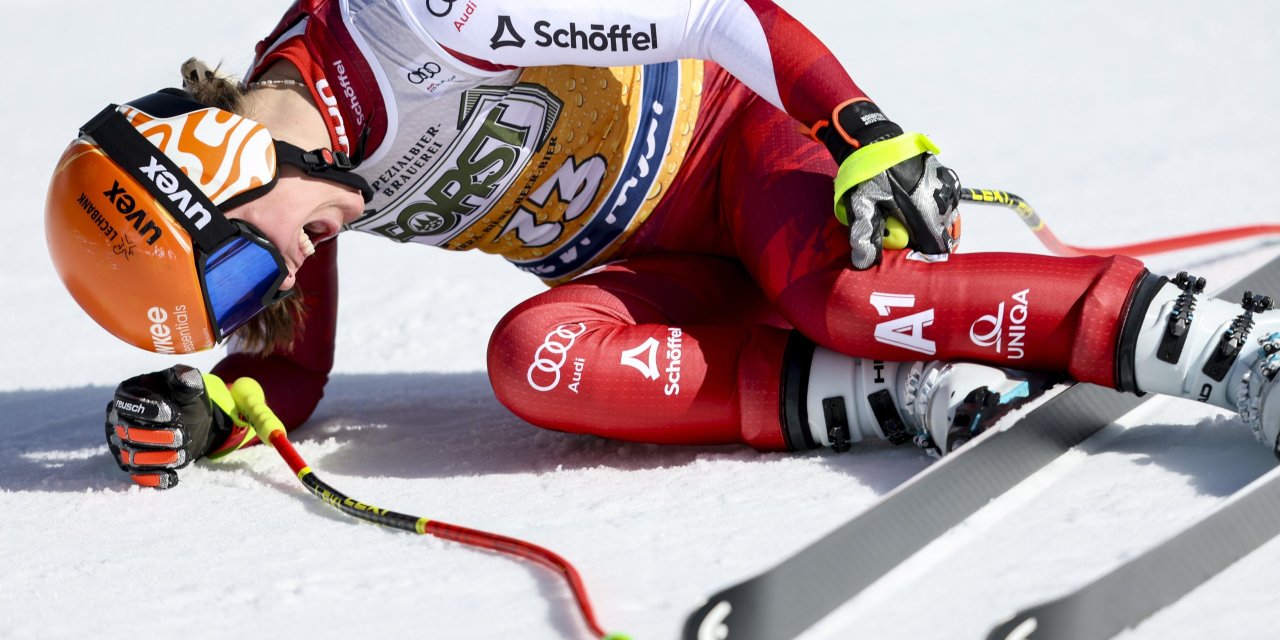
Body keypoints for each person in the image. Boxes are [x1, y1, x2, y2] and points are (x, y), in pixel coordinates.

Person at [45, 0, 1280, 490]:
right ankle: (887, 381)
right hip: (658, 268)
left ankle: (1225, 347)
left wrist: (852, 125)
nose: (275, 284)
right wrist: (205, 411)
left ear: (215, 166)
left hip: (740, 154)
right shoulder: (308, 183)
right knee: (535, 359)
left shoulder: (410, 24)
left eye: (237, 273)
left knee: (838, 292)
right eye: (240, 298)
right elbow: (288, 374)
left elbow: (709, 13)